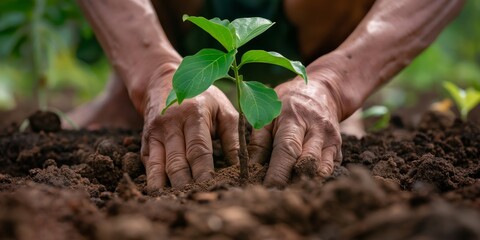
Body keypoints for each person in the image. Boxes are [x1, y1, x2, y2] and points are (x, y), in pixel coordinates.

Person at [72, 0, 465, 191]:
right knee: (157, 80)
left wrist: (335, 82)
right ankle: (141, 92)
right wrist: (153, 71)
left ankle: (328, 90)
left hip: (324, 19)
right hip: (176, 14)